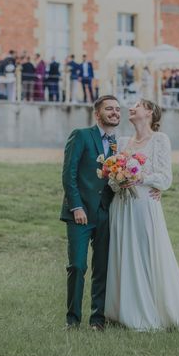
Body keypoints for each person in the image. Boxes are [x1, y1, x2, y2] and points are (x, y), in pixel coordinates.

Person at [105, 99, 179, 332]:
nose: (131, 108)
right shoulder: (122, 142)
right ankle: (121, 311)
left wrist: (139, 179)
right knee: (122, 255)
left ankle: (150, 312)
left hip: (145, 205)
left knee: (146, 255)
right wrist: (118, 179)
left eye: (137, 105)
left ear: (150, 113)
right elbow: (112, 181)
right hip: (121, 207)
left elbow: (165, 179)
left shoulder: (160, 140)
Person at [60, 95, 119, 331]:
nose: (114, 112)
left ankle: (98, 320)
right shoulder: (81, 135)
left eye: (117, 109)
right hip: (80, 214)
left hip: (106, 213)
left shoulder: (117, 144)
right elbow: (69, 174)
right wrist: (76, 207)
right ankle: (72, 320)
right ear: (97, 114)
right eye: (109, 109)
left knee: (102, 268)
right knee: (77, 265)